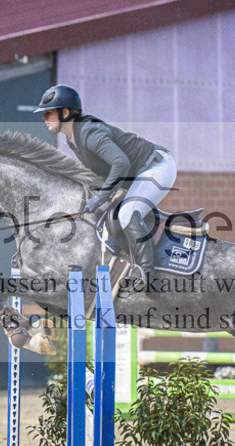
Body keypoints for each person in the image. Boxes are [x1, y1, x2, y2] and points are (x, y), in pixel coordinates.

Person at [35, 84, 177, 294]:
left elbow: (120, 163)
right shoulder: (73, 138)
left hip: (157, 167)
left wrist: (102, 196)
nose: (44, 117)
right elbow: (104, 171)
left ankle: (147, 276)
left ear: (65, 113)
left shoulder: (89, 132)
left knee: (127, 213)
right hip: (137, 174)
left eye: (48, 113)